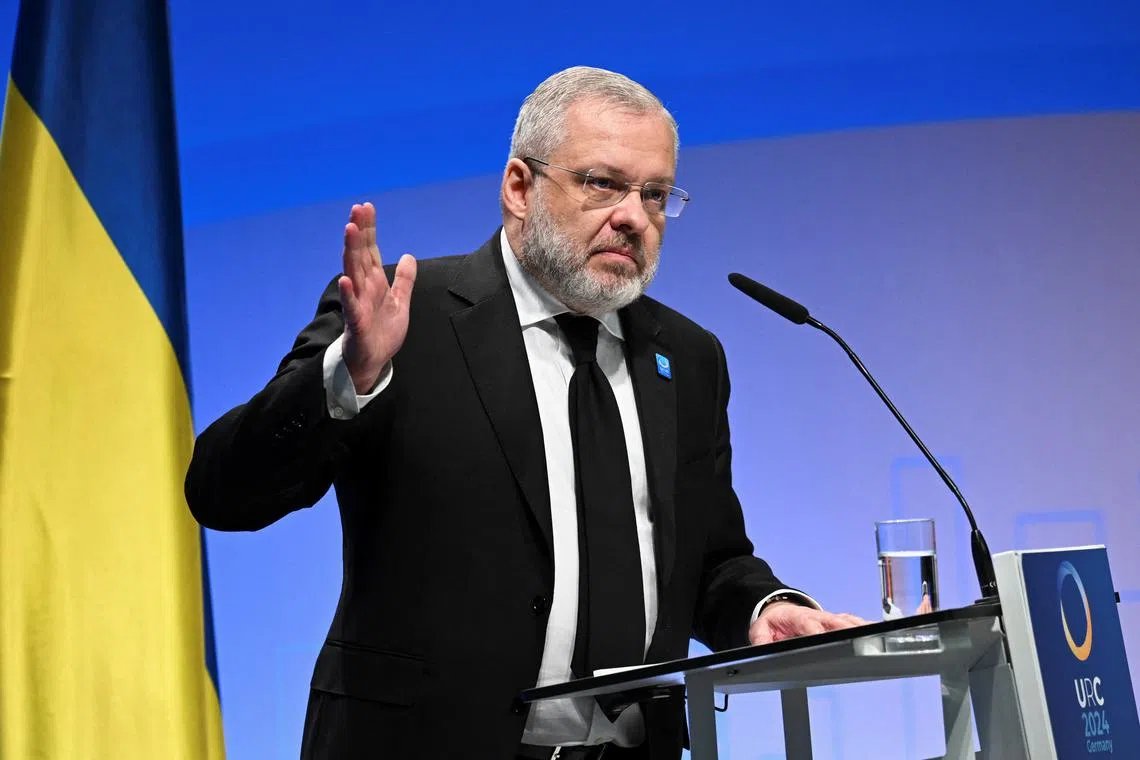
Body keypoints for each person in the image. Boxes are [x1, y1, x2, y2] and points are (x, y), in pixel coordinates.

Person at [186, 66, 865, 760]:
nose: (633, 216)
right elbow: (222, 491)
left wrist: (761, 607)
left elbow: (708, 557)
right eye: (603, 183)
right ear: (519, 187)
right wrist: (350, 375)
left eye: (655, 194)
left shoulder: (688, 359)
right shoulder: (404, 316)